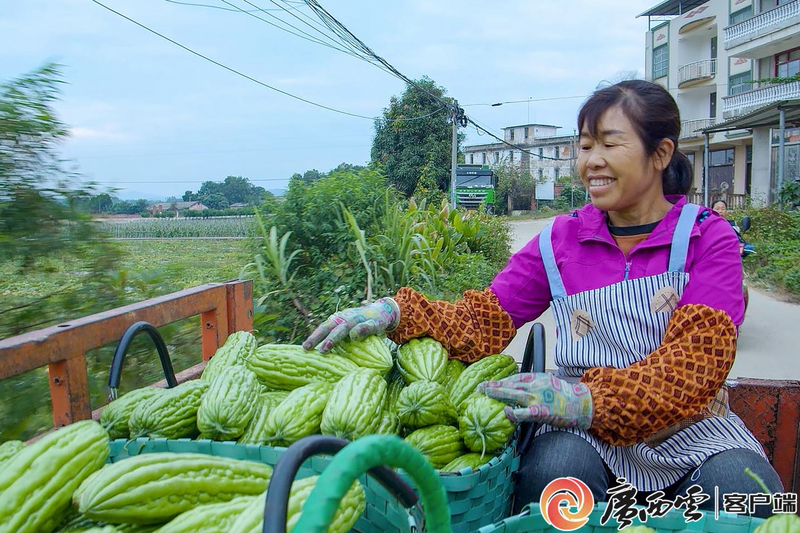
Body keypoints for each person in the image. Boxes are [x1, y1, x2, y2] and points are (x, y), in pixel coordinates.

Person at [302, 80, 783, 517]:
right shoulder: (560, 240)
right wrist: (399, 311)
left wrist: (589, 398)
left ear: (660, 154)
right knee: (554, 479)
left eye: (610, 143)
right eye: (585, 145)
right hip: (581, 434)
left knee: (745, 489)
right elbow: (482, 323)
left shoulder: (707, 237)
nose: (591, 159)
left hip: (688, 430)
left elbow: (695, 362)